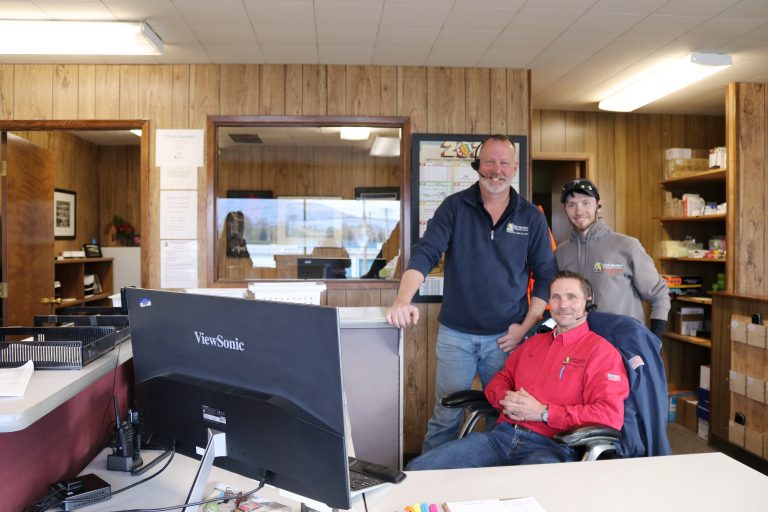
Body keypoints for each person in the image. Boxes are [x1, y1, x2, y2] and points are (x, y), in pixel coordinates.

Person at [386, 134, 557, 453]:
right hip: (456, 336)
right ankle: (430, 487)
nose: (497, 170)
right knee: (445, 415)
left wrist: (525, 327)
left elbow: (546, 276)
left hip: (507, 337)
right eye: (490, 161)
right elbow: (426, 253)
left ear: (515, 167)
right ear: (478, 165)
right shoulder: (454, 207)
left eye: (504, 162)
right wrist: (402, 300)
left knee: (505, 416)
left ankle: (493, 491)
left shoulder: (531, 216)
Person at [406, 270, 629, 470]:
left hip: (552, 446)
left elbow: (609, 416)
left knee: (518, 496)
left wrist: (543, 412)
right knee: (420, 469)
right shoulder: (533, 343)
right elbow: (499, 381)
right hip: (500, 439)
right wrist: (506, 400)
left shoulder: (602, 353)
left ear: (587, 302)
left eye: (572, 297)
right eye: (556, 297)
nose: (563, 305)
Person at [556, 179, 670, 339]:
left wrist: (653, 341)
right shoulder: (561, 252)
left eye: (585, 203)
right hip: (578, 346)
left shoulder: (627, 246)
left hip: (623, 344)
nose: (579, 211)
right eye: (571, 205)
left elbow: (660, 295)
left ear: (599, 205)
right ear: (565, 209)